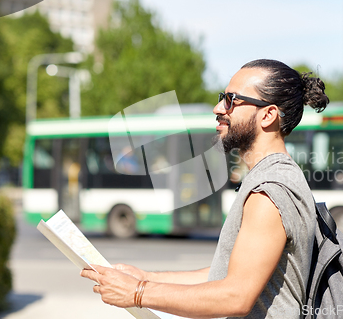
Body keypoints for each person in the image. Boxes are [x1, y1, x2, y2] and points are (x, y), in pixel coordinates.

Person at [81, 59, 329, 318]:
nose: (218, 108)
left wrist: (138, 292)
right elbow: (225, 275)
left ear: (268, 115)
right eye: (222, 97)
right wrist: (145, 276)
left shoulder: (269, 191)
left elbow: (236, 296)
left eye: (231, 100)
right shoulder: (274, 177)